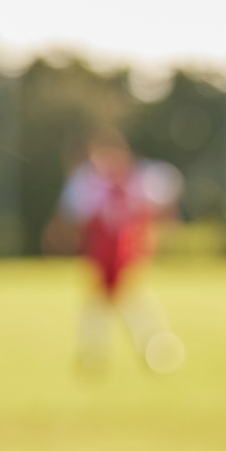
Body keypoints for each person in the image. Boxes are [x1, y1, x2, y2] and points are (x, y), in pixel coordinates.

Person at [44, 129, 184, 374]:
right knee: (105, 301)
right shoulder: (87, 181)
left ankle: (149, 346)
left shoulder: (140, 177)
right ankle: (108, 351)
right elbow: (73, 214)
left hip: (127, 251)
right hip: (101, 254)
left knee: (125, 298)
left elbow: (163, 200)